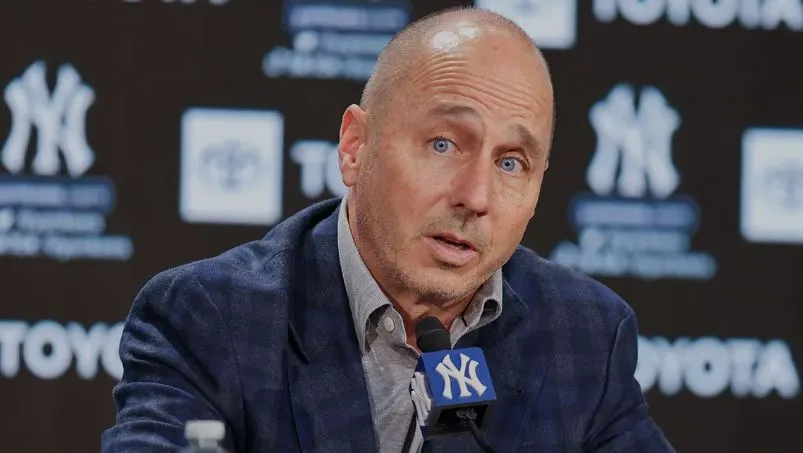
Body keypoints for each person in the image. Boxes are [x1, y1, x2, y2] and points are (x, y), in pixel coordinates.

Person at [101, 6, 675, 453]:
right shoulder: (212, 318)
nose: (475, 197)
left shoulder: (585, 334)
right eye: (443, 144)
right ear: (355, 147)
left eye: (510, 163)